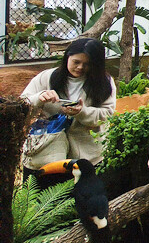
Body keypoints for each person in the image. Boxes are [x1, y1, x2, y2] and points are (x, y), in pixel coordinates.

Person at [21, 38, 116, 184]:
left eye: (87, 64)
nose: (80, 67)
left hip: (86, 156)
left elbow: (106, 114)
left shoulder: (104, 83)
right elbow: (23, 103)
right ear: (67, 57)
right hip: (46, 154)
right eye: (76, 62)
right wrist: (39, 98)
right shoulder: (46, 77)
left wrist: (81, 112)